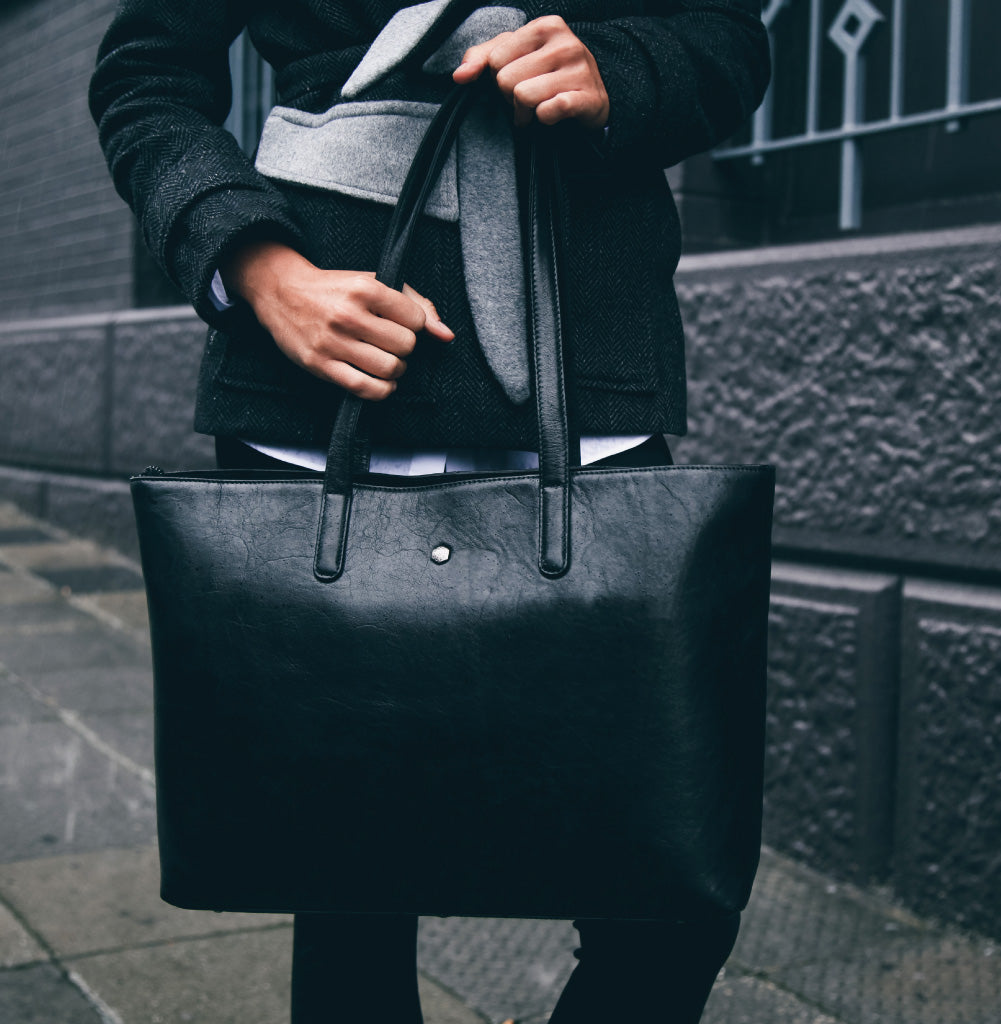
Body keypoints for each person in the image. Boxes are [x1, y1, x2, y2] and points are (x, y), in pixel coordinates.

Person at [90, 2, 770, 1021]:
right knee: (346, 891)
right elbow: (145, 74)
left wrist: (620, 66)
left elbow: (726, 35)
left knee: (668, 896)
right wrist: (254, 268)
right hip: (316, 371)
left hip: (581, 368)